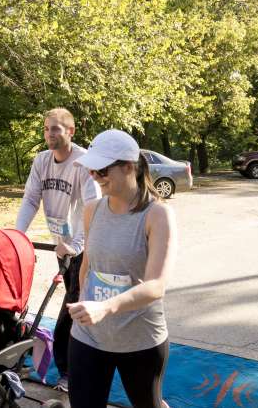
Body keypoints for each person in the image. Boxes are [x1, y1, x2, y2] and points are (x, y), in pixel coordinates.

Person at [67, 129, 177, 408]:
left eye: (102, 170)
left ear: (129, 167)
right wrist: (83, 301)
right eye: (92, 170)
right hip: (89, 335)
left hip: (139, 339)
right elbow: (88, 265)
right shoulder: (92, 209)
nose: (94, 177)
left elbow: (156, 286)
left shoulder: (157, 214)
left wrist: (106, 307)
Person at [16, 108, 101, 391]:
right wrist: (17, 236)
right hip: (62, 246)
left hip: (85, 245)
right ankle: (71, 362)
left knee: (71, 308)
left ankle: (69, 372)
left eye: (56, 129)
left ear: (70, 132)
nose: (49, 134)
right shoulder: (41, 161)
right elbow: (30, 200)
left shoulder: (83, 163)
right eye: (46, 129)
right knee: (72, 301)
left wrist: (76, 245)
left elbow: (93, 206)